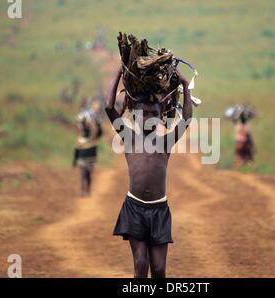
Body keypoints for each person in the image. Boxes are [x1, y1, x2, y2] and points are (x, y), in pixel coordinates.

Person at [105, 66, 192, 278]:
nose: (148, 117)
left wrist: (185, 85)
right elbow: (109, 107)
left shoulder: (165, 142)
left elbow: (187, 119)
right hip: (134, 208)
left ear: (162, 116)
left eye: (154, 113)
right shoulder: (129, 138)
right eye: (143, 113)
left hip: (159, 210)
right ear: (135, 114)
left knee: (160, 269)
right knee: (141, 264)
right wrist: (118, 72)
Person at [73, 100, 103, 196]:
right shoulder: (94, 117)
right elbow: (98, 131)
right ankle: (86, 190)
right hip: (90, 146)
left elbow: (79, 128)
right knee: (88, 171)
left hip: (83, 145)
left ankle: (84, 190)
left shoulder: (82, 116)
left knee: (83, 170)